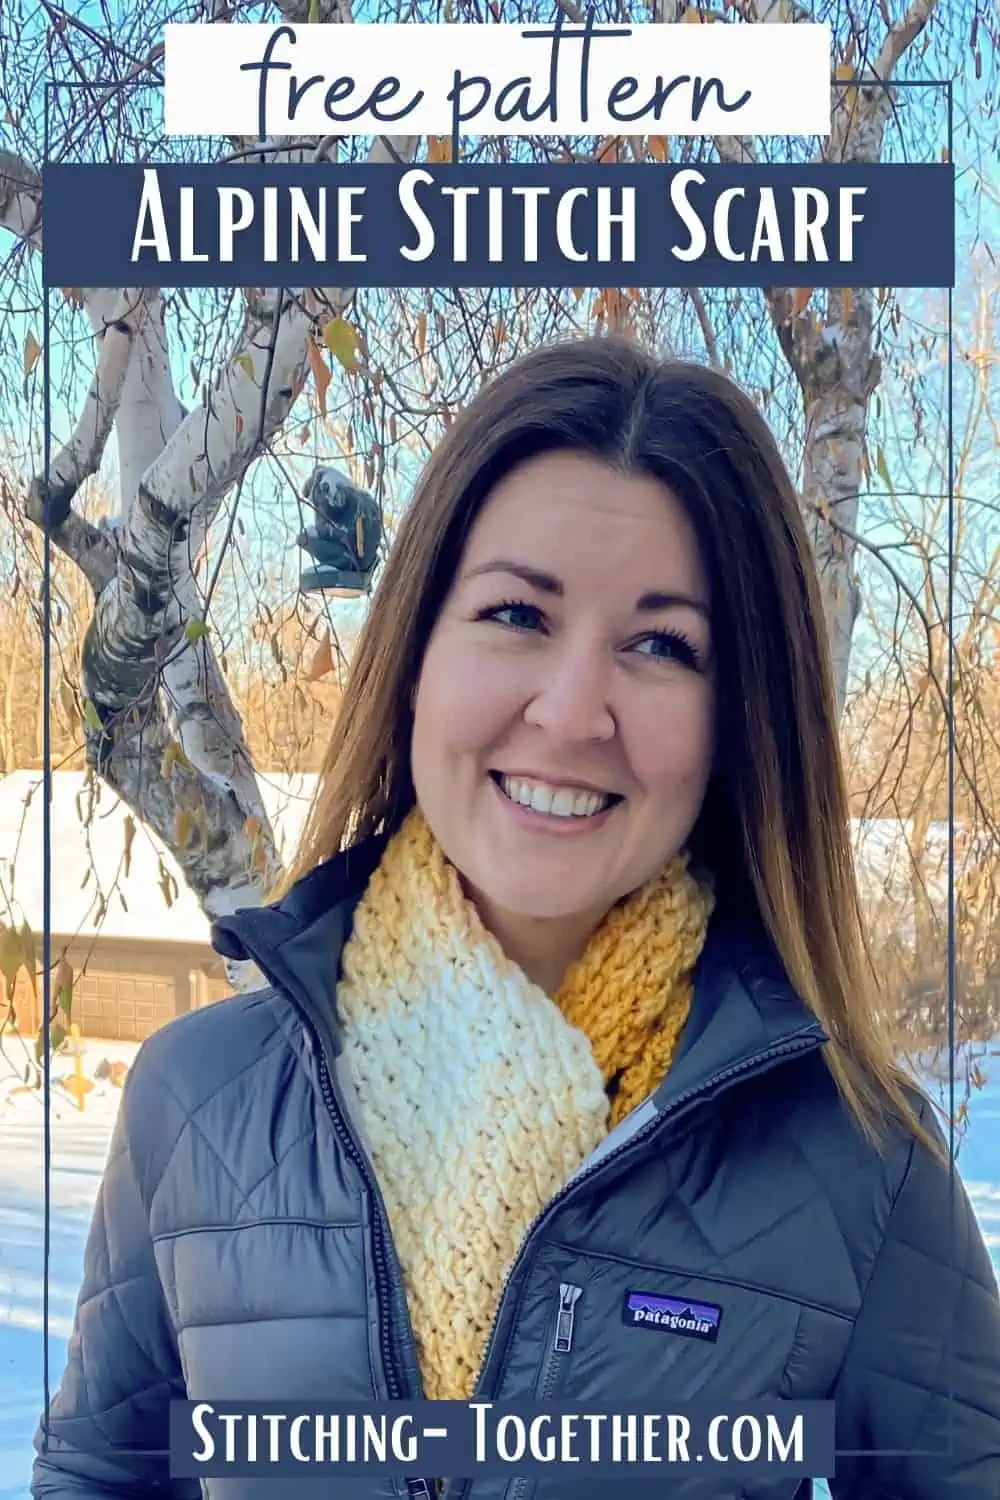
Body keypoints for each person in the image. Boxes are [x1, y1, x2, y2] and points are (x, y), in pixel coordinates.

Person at [32, 334, 1000, 1500]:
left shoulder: (858, 1157)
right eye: (515, 615)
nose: (572, 709)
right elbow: (103, 1473)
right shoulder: (198, 1104)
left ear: (741, 713)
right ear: (415, 654)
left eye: (660, 644)